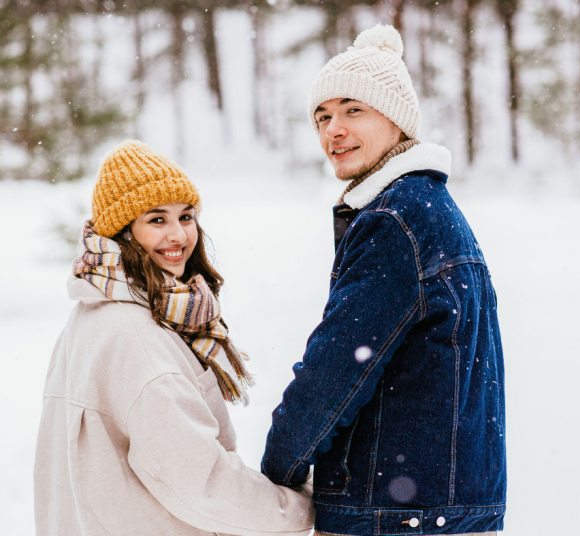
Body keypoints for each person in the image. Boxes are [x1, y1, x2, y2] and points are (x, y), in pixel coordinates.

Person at [261, 25, 506, 536]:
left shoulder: (395, 220)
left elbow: (336, 369)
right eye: (322, 116)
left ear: (397, 121)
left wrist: (277, 469)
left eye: (353, 110)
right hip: (446, 507)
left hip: (392, 514)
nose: (333, 130)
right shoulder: (433, 210)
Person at [34, 140, 314, 536]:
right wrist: (302, 507)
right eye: (157, 219)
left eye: (186, 216)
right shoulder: (138, 338)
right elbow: (203, 485)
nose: (179, 235)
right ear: (123, 231)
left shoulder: (94, 310)